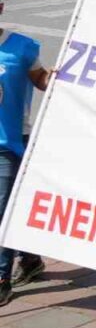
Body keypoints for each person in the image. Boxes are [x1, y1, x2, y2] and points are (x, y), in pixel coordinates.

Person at [0, 24, 53, 305]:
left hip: (9, 143)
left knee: (1, 212)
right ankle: (30, 259)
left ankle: (1, 279)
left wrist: (54, 77)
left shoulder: (21, 47)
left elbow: (41, 79)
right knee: (10, 207)